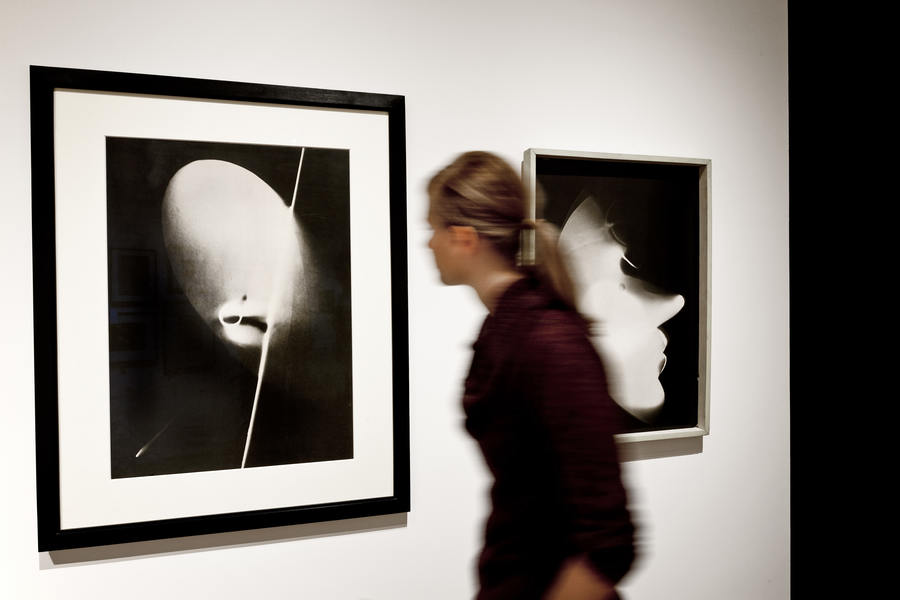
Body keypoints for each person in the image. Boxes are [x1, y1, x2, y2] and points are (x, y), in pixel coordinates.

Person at [427, 151, 636, 599]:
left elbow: (609, 543)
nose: (428, 244)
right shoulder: (505, 328)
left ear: (464, 239)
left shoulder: (551, 342)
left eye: (433, 229)